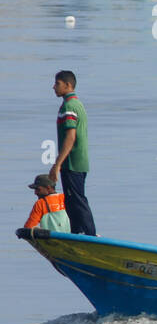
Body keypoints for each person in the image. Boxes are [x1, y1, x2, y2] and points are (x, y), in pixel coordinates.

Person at [49, 70, 95, 235]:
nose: (54, 87)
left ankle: (90, 236)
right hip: (78, 161)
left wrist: (57, 164)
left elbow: (71, 137)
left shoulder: (70, 106)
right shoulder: (75, 104)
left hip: (72, 161)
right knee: (71, 200)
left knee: (77, 200)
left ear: (68, 85)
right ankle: (76, 234)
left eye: (57, 83)